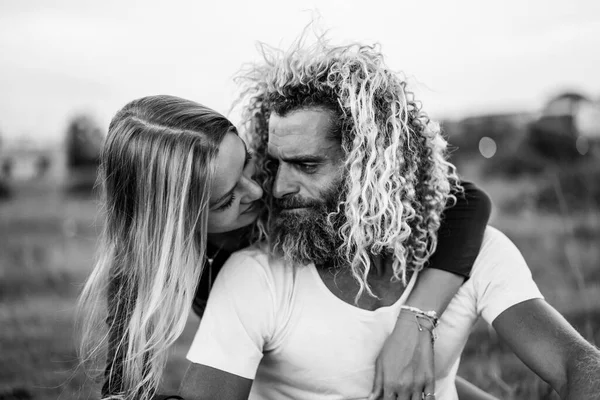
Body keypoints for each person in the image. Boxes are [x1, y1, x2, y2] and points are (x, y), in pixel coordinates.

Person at [180, 38, 600, 400]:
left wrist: (418, 319)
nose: (275, 188)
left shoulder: (477, 250)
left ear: (376, 169)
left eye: (307, 165)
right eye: (276, 164)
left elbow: (575, 364)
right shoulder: (256, 276)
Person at [76, 95, 492, 400]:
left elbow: (469, 201)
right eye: (225, 201)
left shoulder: (289, 193)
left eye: (247, 165)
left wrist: (415, 319)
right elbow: (125, 388)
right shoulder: (150, 274)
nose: (259, 189)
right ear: (172, 225)